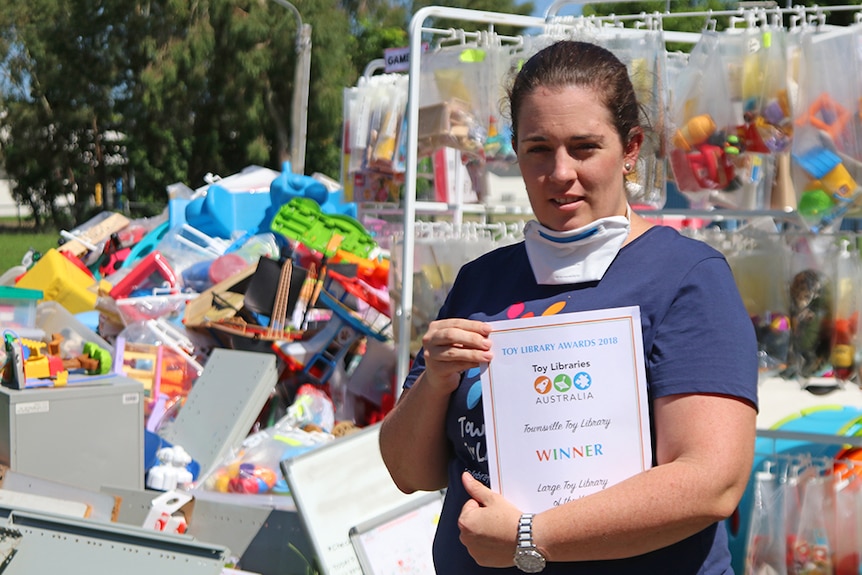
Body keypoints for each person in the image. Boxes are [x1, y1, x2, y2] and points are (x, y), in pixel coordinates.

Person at [379, 39, 758, 574]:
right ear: (516, 151)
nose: (560, 172)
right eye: (538, 148)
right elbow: (408, 472)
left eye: (584, 147)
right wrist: (435, 381)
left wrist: (530, 538)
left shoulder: (686, 278)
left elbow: (712, 480)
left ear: (630, 149)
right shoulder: (480, 282)